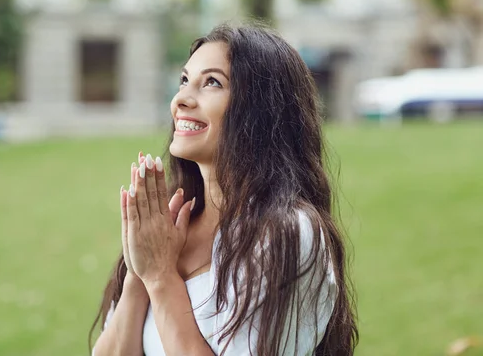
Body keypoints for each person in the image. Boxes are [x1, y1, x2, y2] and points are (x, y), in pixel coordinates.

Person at [90, 23, 358, 355]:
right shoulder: (173, 224)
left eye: (212, 83)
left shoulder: (287, 232)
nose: (181, 99)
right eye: (185, 80)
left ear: (261, 111)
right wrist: (139, 269)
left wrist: (161, 278)